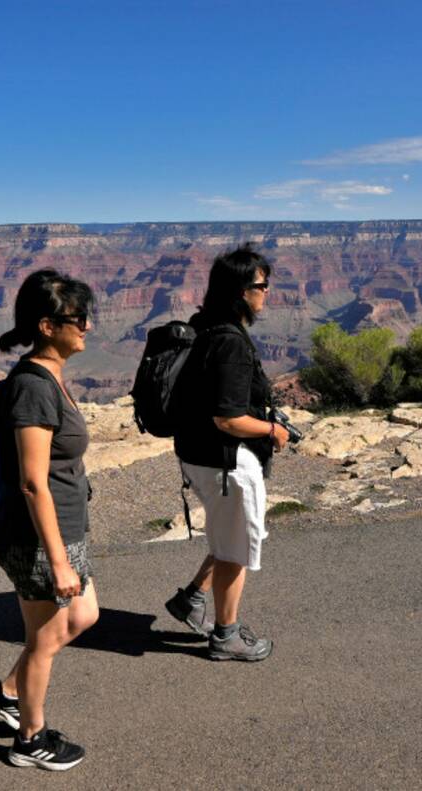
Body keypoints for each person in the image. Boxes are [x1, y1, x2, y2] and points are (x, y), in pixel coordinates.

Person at [0, 269, 99, 771]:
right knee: (43, 640)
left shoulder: (52, 376)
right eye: (79, 318)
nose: (88, 326)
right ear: (48, 326)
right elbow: (32, 482)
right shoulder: (33, 387)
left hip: (64, 530)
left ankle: (7, 693)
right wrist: (57, 560)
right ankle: (29, 739)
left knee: (85, 616)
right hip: (37, 539)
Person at [164, 244, 289, 661]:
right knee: (237, 548)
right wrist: (274, 429)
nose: (267, 292)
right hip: (226, 460)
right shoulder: (231, 342)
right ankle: (226, 636)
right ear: (240, 291)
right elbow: (228, 419)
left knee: (226, 532)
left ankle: (193, 599)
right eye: (261, 285)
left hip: (196, 455)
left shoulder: (205, 324)